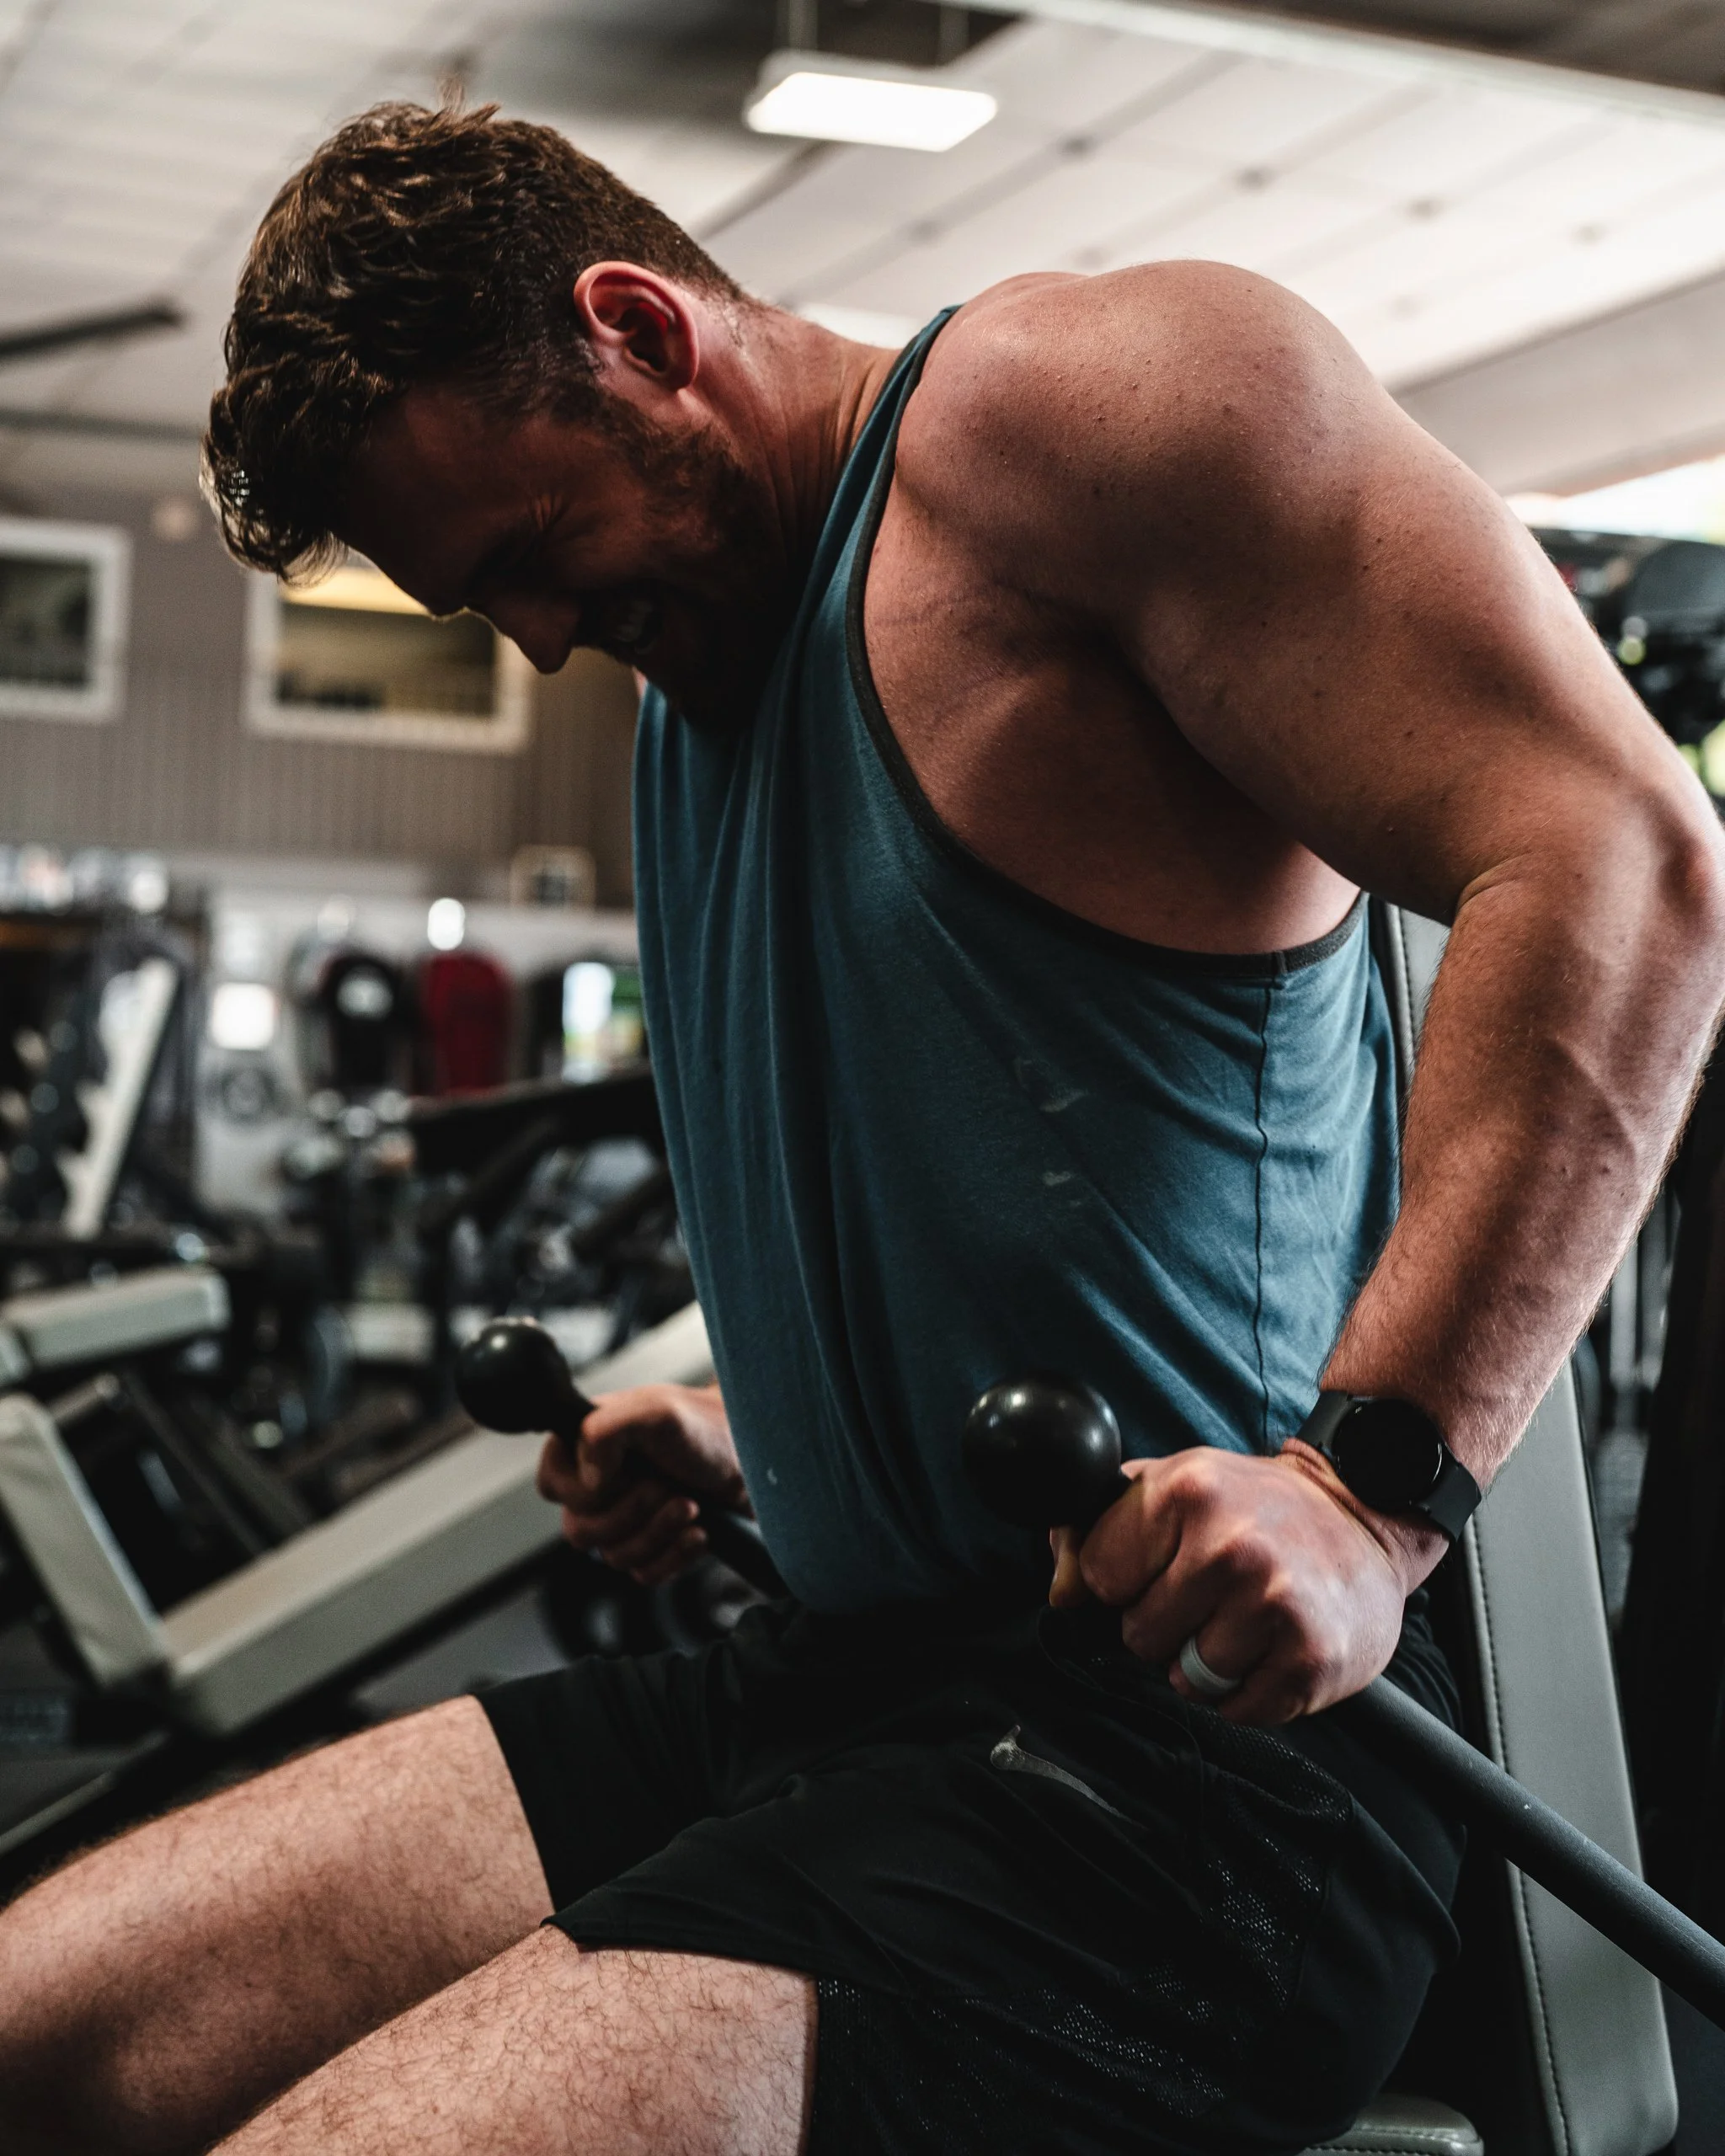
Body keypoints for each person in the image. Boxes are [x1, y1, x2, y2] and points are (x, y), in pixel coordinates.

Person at [2, 99, 1721, 2156]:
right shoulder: (697, 675)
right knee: (46, 2032)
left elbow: (1620, 852)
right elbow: (1029, 1148)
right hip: (835, 1684)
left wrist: (1368, 1497)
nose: (540, 639)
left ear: (638, 325)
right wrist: (771, 1420)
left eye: (532, 554)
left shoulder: (1075, 414)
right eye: (482, 609)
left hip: (1194, 1767)